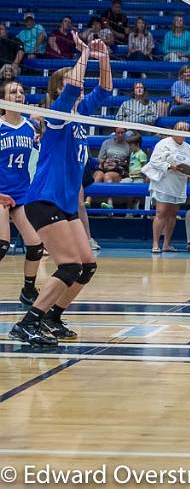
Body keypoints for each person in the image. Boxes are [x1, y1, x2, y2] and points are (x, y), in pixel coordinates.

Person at [9, 36, 112, 346]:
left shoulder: (82, 113)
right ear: (59, 89)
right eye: (71, 81)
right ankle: (28, 323)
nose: (77, 83)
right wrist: (83, 54)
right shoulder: (57, 116)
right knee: (69, 266)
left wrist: (103, 58)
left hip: (65, 205)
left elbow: (105, 90)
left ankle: (52, 318)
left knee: (87, 266)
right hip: (43, 200)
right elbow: (73, 86)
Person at [0, 80, 45, 307]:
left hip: (21, 192)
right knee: (2, 245)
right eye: (12, 92)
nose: (18, 95)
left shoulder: (30, 127)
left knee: (36, 244)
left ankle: (28, 290)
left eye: (21, 91)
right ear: (3, 100)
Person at [144, 121, 190, 253]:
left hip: (178, 184)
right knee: (161, 212)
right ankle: (155, 244)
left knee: (173, 214)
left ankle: (167, 244)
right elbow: (154, 161)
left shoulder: (188, 148)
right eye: (179, 129)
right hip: (164, 182)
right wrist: (170, 166)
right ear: (173, 129)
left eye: (185, 130)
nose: (182, 132)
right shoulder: (163, 144)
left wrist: (188, 171)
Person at [91, 127, 130, 207]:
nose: (120, 135)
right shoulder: (106, 143)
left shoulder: (128, 145)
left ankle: (109, 203)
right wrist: (105, 162)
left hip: (118, 169)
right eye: (118, 133)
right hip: (104, 166)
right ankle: (88, 201)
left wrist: (119, 163)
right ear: (114, 133)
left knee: (107, 176)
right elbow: (100, 158)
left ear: (125, 133)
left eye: (122, 133)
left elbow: (129, 162)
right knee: (98, 175)